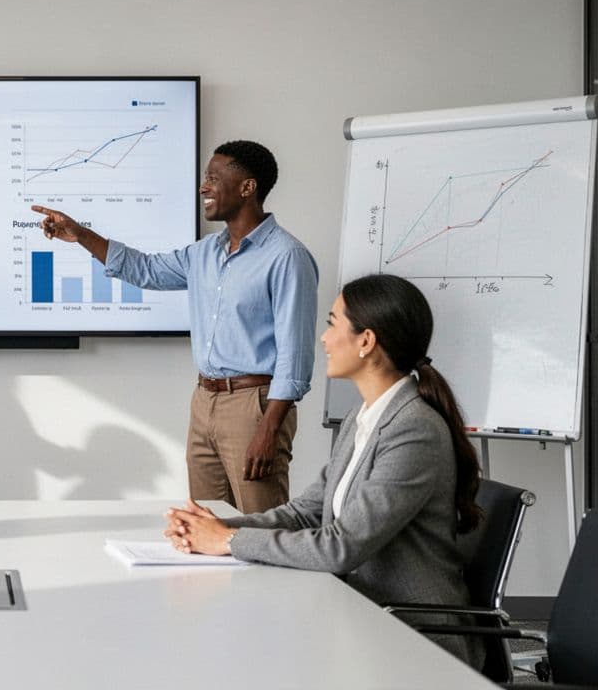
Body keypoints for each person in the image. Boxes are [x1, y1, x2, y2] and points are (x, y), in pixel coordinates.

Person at [164, 273, 484, 666]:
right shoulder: (363, 417)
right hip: (362, 613)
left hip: (413, 637)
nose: (324, 338)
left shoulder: (414, 430)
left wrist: (228, 541)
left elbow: (341, 547)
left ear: (366, 341)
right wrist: (220, 528)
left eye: (333, 324)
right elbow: (305, 513)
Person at [32, 140, 317, 513]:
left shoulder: (287, 257)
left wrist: (268, 429)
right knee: (205, 521)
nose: (203, 187)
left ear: (248, 187)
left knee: (262, 523)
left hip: (254, 407)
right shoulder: (204, 253)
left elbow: (295, 355)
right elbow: (145, 270)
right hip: (204, 401)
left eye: (213, 178)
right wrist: (81, 235)